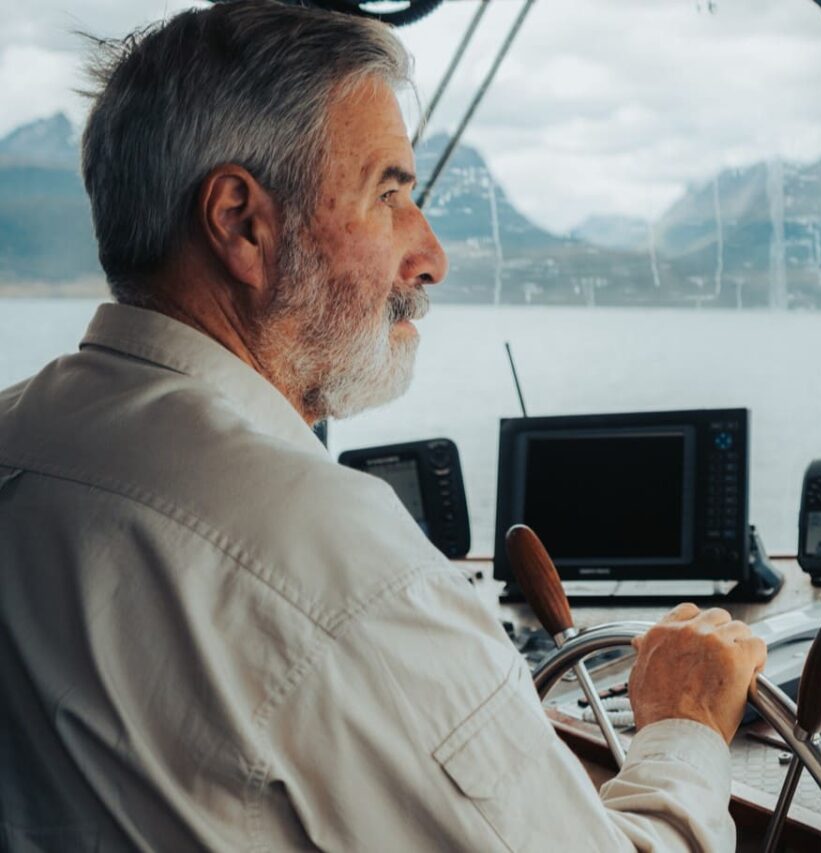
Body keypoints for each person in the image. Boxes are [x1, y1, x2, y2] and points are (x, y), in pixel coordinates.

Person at [0, 2, 766, 850]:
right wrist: (687, 725)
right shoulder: (339, 564)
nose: (432, 255)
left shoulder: (17, 437)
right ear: (241, 223)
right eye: (389, 194)